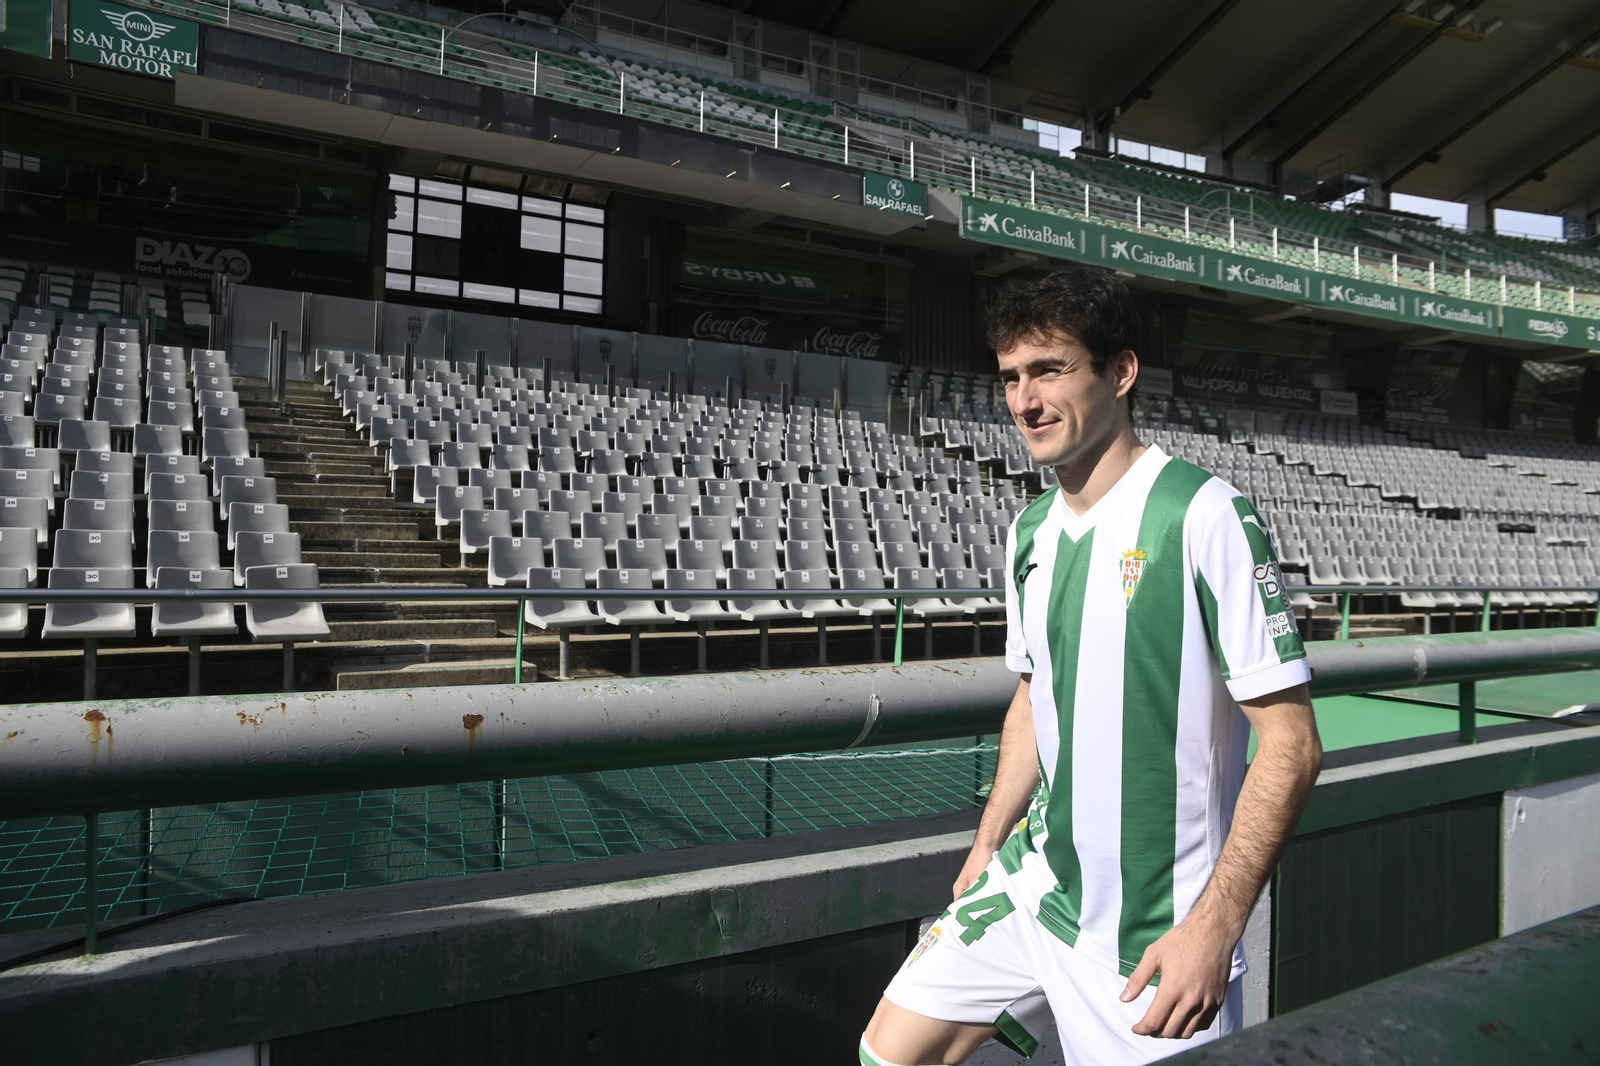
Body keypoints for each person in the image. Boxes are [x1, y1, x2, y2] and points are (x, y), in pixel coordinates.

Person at [860, 264, 1323, 1065]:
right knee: (891, 1051)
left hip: (1153, 932)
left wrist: (1215, 928)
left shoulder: (1203, 513)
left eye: (1050, 370)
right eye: (1010, 377)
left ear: (1121, 372)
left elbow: (1292, 745)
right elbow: (1034, 696)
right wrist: (987, 840)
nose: (1024, 401)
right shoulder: (1030, 530)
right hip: (1037, 885)